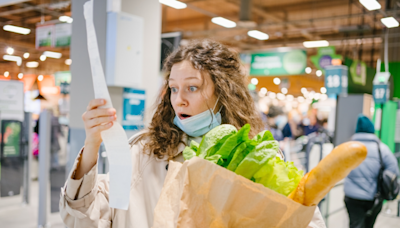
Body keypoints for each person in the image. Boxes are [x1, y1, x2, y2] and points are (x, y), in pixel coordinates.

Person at [59, 40, 325, 227]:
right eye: (174, 89)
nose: (179, 100)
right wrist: (92, 145)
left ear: (224, 92)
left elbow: (300, 219)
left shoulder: (256, 155)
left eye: (192, 88)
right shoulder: (144, 152)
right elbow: (85, 219)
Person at [344, 114, 399, 228]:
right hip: (373, 198)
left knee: (355, 224)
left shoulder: (347, 147)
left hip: (351, 196)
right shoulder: (381, 149)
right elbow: (394, 172)